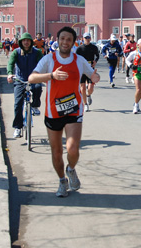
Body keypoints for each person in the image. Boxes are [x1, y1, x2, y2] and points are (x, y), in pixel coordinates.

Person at [28, 26, 100, 197]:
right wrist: (51, 76)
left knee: (72, 148)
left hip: (74, 110)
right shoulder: (48, 59)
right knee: (57, 152)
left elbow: (92, 75)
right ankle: (62, 181)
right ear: (57, 40)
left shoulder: (79, 60)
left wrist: (95, 78)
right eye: (62, 39)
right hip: (53, 111)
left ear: (73, 42)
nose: (65, 42)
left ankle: (71, 169)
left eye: (69, 39)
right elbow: (32, 78)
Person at [7, 33, 43, 138]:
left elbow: (43, 63)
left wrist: (44, 74)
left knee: (38, 87)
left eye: (28, 40)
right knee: (18, 104)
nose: (26, 42)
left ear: (31, 42)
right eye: (24, 40)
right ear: (21, 42)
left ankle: (35, 106)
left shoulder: (37, 52)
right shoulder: (16, 52)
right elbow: (10, 63)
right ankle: (18, 127)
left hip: (33, 78)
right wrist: (9, 74)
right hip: (20, 80)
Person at [76, 33, 99, 112]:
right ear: (83, 39)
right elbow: (76, 58)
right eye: (86, 38)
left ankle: (89, 95)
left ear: (90, 38)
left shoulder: (94, 47)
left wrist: (95, 61)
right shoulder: (79, 49)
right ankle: (85, 104)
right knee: (82, 88)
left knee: (90, 88)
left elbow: (97, 55)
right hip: (82, 70)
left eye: (89, 37)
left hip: (90, 69)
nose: (87, 39)